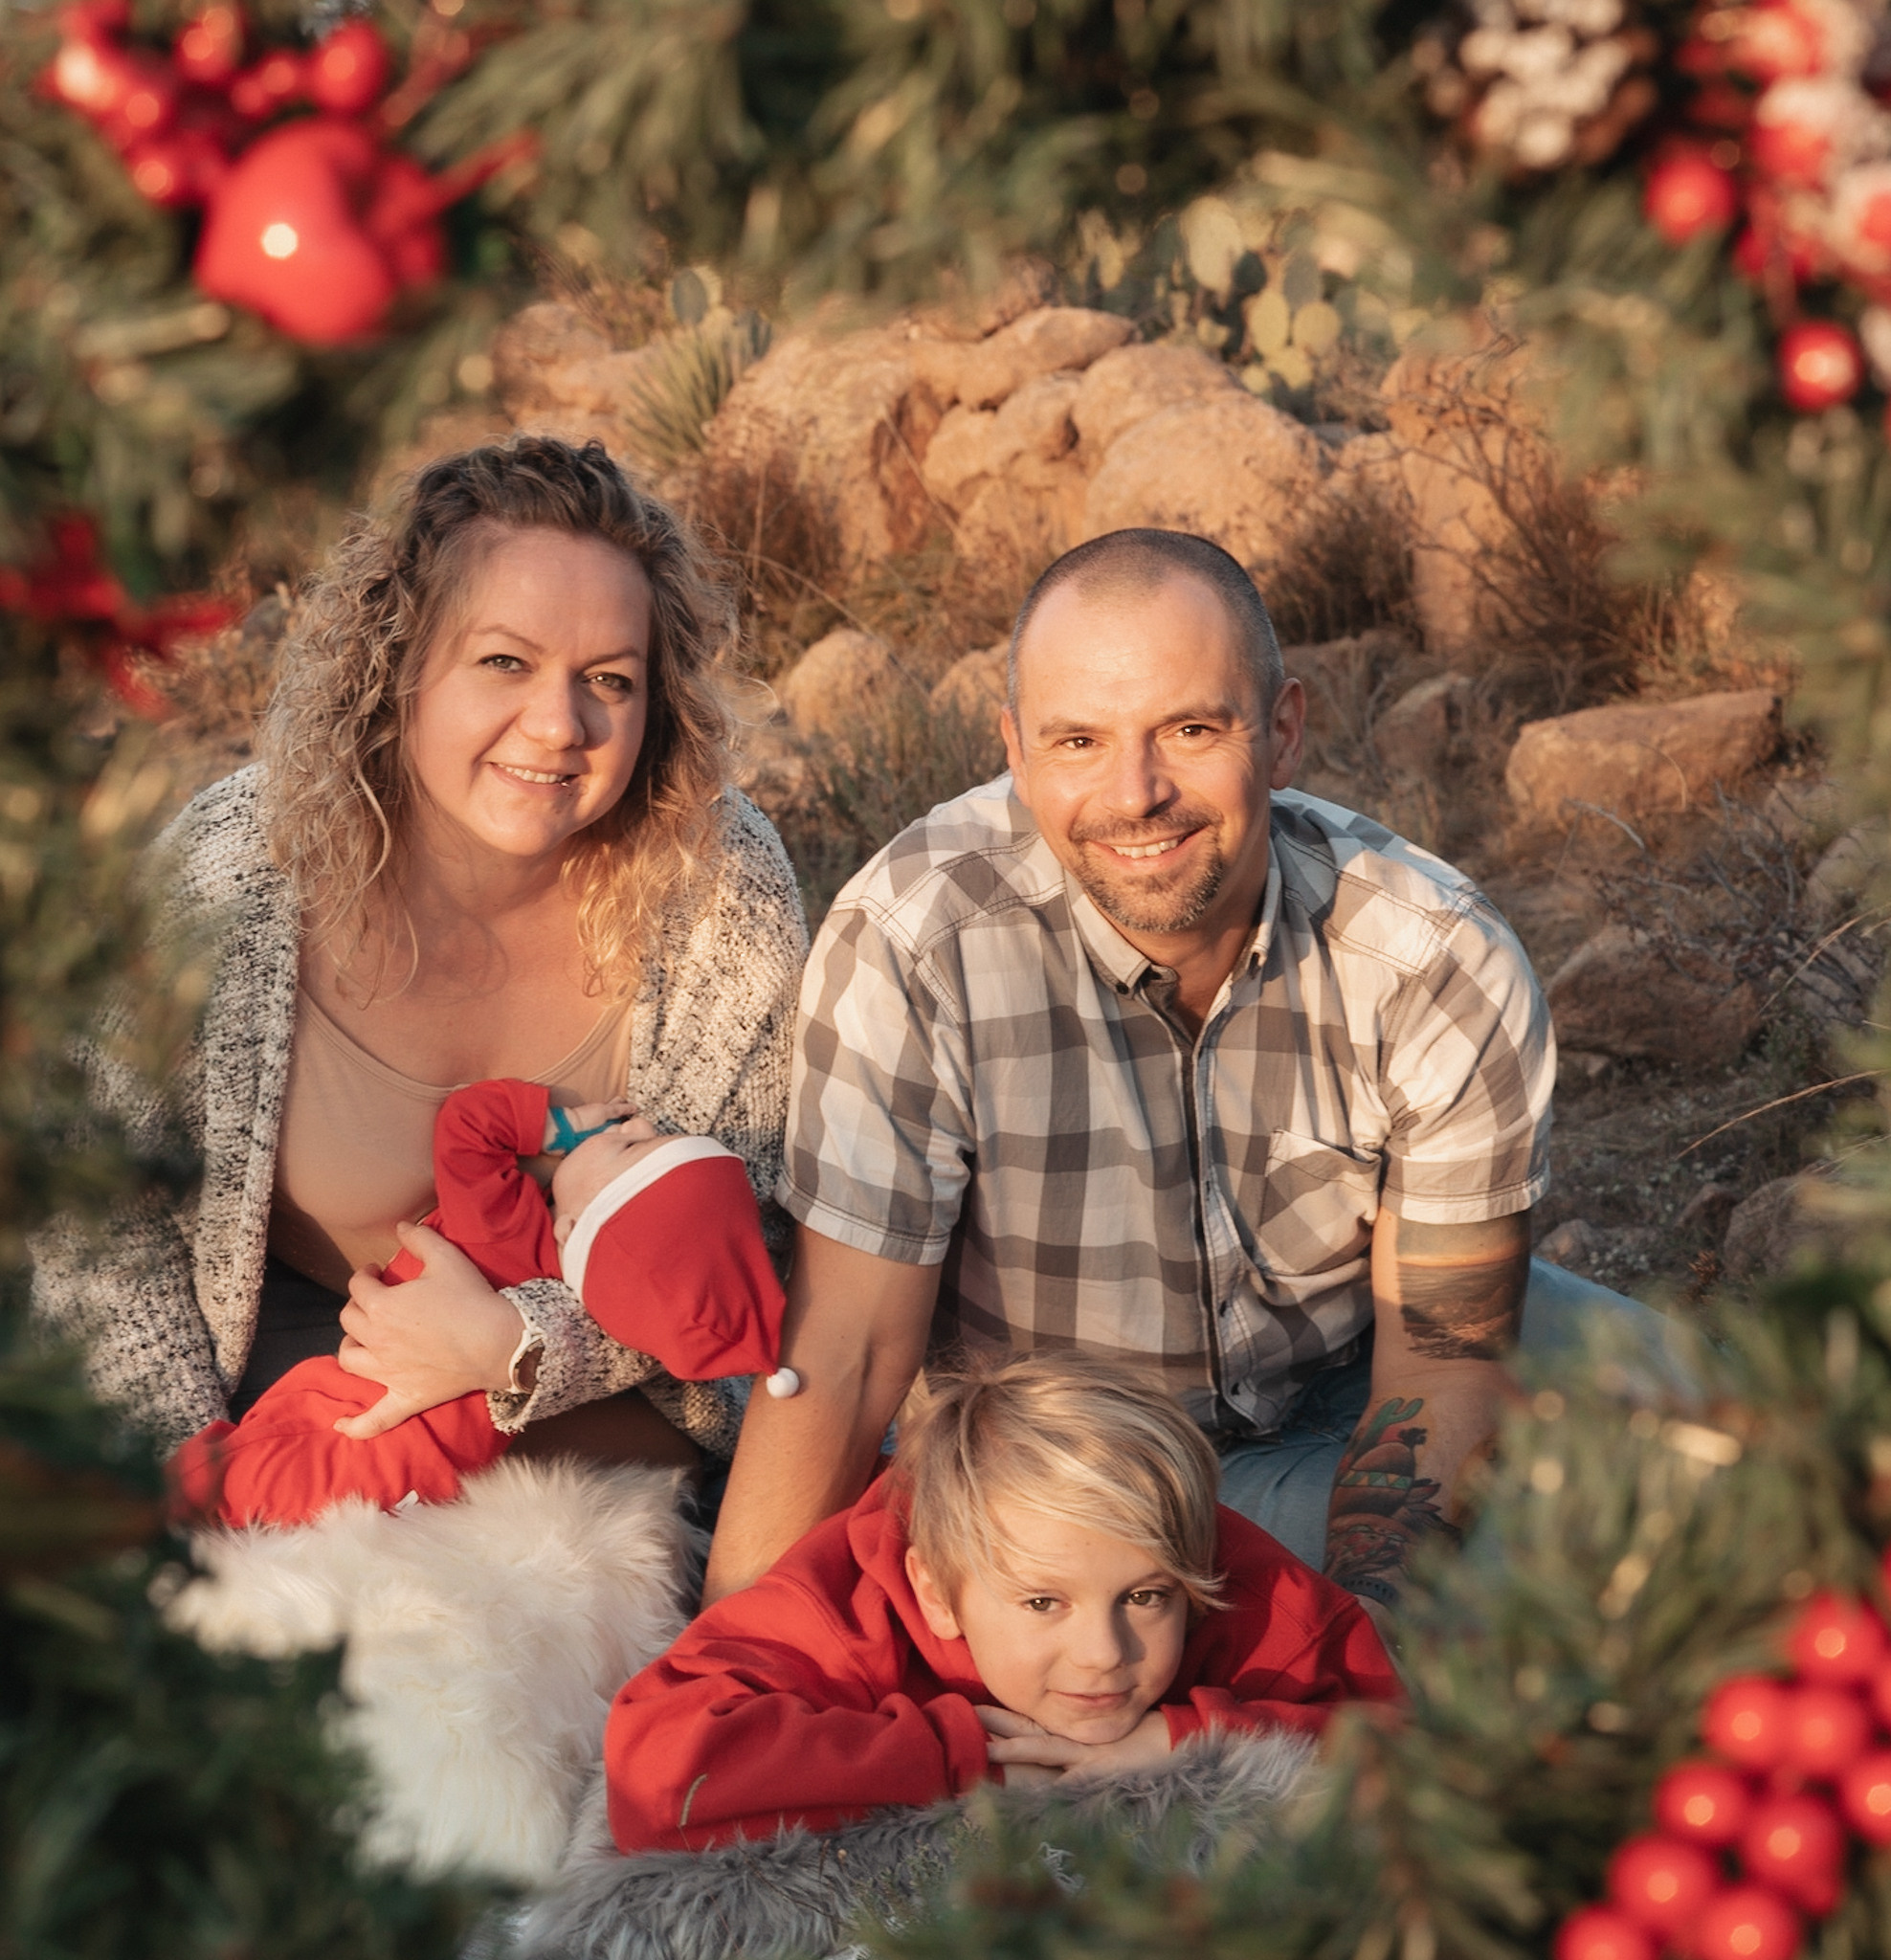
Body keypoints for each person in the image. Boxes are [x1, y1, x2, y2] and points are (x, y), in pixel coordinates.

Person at [706, 525, 1624, 1615]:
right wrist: (728, 1671)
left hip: (1358, 1368)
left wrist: (1366, 1645)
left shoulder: (1431, 954)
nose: (1136, 793)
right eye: (1077, 741)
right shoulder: (916, 944)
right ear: (1014, 747)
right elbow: (849, 1353)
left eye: (1189, 728)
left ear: (1281, 733)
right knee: (1552, 1580)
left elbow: (1440, 1360)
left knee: (1739, 1465)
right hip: (1074, 1466)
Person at [33, 435, 807, 1481]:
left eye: (609, 680)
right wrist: (188, 1513)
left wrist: (521, 1344)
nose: (557, 723)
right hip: (303, 1439)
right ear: (398, 664)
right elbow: (95, 1206)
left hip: (614, 1461)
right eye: (503, 661)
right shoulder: (234, 870)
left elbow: (757, 1244)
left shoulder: (715, 881)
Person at [605, 1352, 1399, 1851]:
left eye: (1147, 1596)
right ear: (936, 1592)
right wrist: (965, 1760)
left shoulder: (1247, 1591)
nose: (1104, 1654)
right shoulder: (845, 1610)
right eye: (1043, 1603)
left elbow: (1414, 1748)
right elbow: (655, 1770)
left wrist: (1192, 1744)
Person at [169, 1088, 791, 1528]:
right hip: (433, 1475)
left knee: (221, 1484)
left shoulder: (503, 1224)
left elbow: (467, 1124)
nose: (637, 1125)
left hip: (354, 1422)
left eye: (630, 1149)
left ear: (574, 1228)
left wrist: (560, 1127)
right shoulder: (609, 1308)